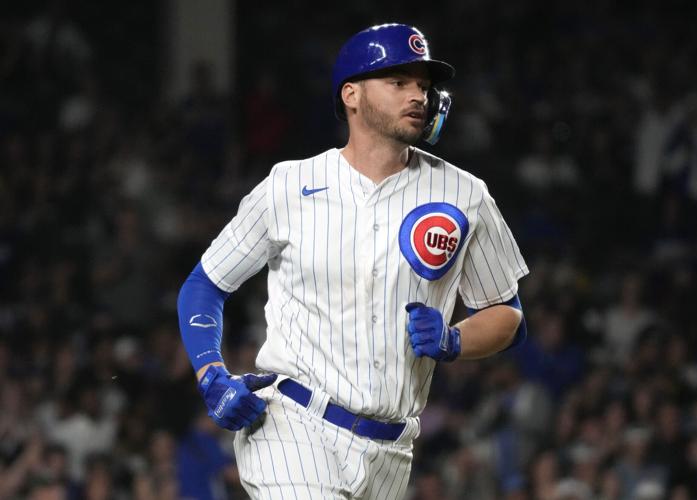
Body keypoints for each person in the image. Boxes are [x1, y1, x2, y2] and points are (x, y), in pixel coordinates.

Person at [177, 23, 529, 500]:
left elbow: (507, 313)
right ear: (352, 95)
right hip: (294, 423)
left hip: (392, 450)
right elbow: (206, 284)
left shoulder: (465, 194)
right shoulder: (289, 185)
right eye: (398, 82)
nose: (417, 95)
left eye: (423, 85)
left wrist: (453, 339)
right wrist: (209, 372)